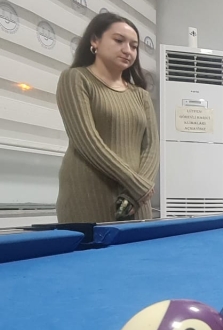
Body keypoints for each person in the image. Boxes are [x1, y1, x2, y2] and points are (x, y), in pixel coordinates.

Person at [56, 12, 159, 223]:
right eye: (119, 40)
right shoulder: (75, 79)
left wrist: (137, 191)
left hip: (135, 199)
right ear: (95, 41)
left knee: (139, 246)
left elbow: (152, 147)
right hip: (89, 192)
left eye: (134, 46)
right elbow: (87, 141)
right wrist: (136, 184)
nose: (127, 50)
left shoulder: (140, 95)